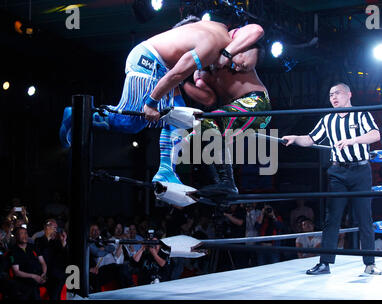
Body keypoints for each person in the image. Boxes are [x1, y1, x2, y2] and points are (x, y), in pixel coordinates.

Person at [59, 16, 264, 187]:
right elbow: (176, 74)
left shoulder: (223, 30)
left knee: (180, 117)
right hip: (149, 62)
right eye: (241, 65)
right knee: (130, 123)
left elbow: (254, 32)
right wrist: (151, 101)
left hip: (163, 67)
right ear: (239, 50)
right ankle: (77, 114)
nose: (237, 70)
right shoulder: (211, 47)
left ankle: (166, 170)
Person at [282, 83, 382, 276]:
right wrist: (295, 137)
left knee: (364, 218)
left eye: (337, 93)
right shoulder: (328, 119)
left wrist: (353, 140)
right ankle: (324, 263)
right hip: (338, 173)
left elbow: (375, 134)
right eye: (330, 95)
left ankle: (370, 263)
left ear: (349, 94)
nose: (333, 97)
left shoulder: (361, 114)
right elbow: (311, 139)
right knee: (332, 218)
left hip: (361, 170)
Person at [182, 34, 270, 195]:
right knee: (197, 136)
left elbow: (257, 31)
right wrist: (181, 81)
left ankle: (227, 183)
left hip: (256, 103)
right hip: (235, 114)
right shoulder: (200, 72)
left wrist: (228, 54)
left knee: (208, 122)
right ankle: (221, 188)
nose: (237, 68)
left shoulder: (224, 43)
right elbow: (208, 99)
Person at [9, 227, 47, 300]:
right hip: (24, 279)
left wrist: (44, 274)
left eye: (26, 233)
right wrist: (34, 276)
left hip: (39, 275)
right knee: (32, 288)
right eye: (21, 233)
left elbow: (42, 262)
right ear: (16, 236)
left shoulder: (33, 247)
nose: (24, 236)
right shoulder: (13, 251)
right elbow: (16, 272)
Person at [34, 219, 68, 300]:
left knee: (58, 280)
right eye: (53, 227)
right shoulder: (39, 240)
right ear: (46, 227)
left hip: (56, 273)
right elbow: (43, 254)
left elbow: (65, 257)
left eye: (56, 228)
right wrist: (47, 236)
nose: (55, 230)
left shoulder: (57, 242)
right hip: (43, 272)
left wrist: (64, 242)